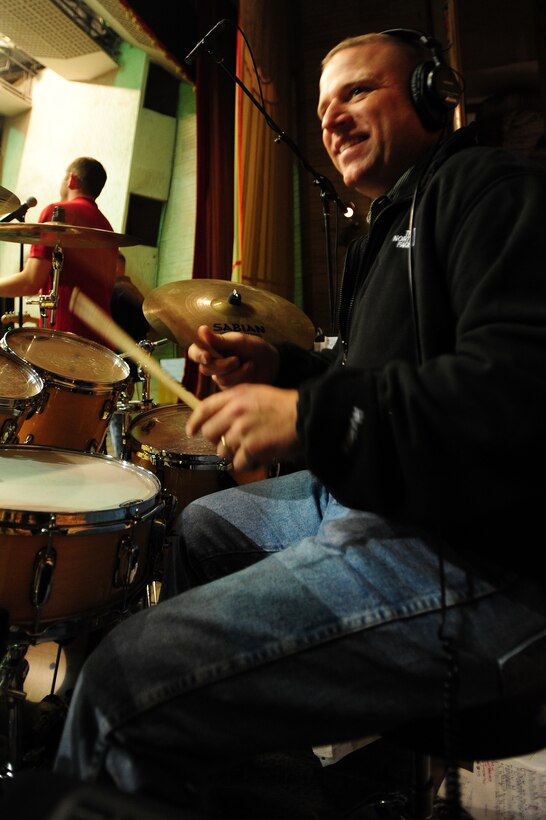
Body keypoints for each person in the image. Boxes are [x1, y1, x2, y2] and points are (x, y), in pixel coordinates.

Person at [49, 29, 546, 818]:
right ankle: (272, 784)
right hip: (375, 499)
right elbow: (371, 376)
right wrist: (282, 371)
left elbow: (517, 395)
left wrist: (310, 413)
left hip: (472, 551)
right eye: (322, 109)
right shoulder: (379, 231)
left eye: (358, 92)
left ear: (431, 94)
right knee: (203, 526)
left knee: (119, 684)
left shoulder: (490, 188)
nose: (332, 120)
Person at [0, 157, 118, 347]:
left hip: (65, 340)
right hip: (102, 345)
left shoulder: (58, 212)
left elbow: (29, 282)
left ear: (71, 179)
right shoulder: (107, 227)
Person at [108, 252, 150, 457]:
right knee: (122, 417)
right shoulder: (134, 291)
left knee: (117, 417)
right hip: (131, 365)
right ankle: (124, 457)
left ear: (117, 266)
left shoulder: (117, 291)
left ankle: (120, 460)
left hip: (119, 365)